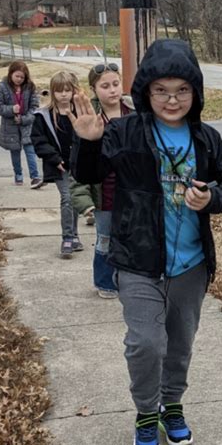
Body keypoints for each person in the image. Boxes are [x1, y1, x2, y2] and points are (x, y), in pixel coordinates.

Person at [70, 39, 222, 445]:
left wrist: (212, 199)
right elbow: (89, 174)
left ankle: (172, 404)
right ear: (146, 89)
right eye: (161, 89)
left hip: (191, 264)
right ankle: (147, 412)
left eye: (182, 90)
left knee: (180, 343)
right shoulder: (125, 132)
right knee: (147, 342)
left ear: (195, 93)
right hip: (138, 260)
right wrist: (89, 142)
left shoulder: (205, 138)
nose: (172, 99)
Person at [73, 63, 133, 299]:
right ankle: (105, 282)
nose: (112, 90)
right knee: (105, 241)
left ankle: (129, 279)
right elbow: (78, 167)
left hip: (131, 193)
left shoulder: (135, 113)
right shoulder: (89, 119)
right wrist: (84, 202)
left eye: (116, 84)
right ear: (94, 89)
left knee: (130, 239)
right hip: (105, 197)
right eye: (105, 86)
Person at [31, 70, 85, 258]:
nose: (63, 94)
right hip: (59, 165)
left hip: (78, 164)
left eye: (67, 90)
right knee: (67, 198)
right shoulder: (44, 116)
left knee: (76, 199)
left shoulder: (80, 112)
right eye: (59, 91)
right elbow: (39, 141)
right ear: (53, 92)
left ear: (73, 91)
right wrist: (55, 159)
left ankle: (75, 234)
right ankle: (67, 237)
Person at [0, 61, 43, 188]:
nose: (19, 79)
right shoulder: (2, 87)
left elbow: (35, 107)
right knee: (15, 151)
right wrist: (10, 110)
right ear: (10, 74)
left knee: (30, 150)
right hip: (10, 125)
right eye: (17, 76)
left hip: (26, 125)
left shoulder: (30, 87)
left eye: (22, 77)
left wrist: (25, 119)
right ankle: (18, 174)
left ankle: (35, 176)